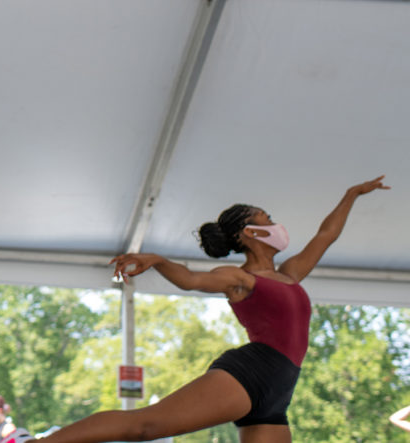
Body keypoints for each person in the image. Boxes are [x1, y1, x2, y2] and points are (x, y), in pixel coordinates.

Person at [29, 176, 388, 443]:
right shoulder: (240, 278)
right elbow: (188, 280)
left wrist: (352, 194)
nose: (274, 223)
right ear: (249, 233)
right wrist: (157, 260)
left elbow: (326, 235)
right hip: (252, 372)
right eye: (267, 218)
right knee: (146, 426)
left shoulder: (289, 274)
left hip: (280, 387)